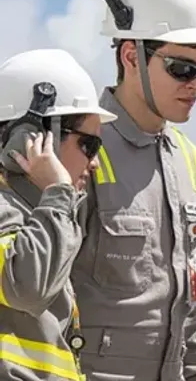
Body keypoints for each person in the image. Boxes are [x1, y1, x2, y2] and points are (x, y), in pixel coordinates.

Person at [69, 0, 196, 380]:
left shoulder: (192, 164)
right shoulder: (78, 147)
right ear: (129, 56)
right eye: (182, 69)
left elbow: (193, 306)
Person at [0, 49, 117, 381]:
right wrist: (58, 191)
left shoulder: (38, 216)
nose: (94, 163)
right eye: (89, 146)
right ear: (31, 139)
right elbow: (28, 287)